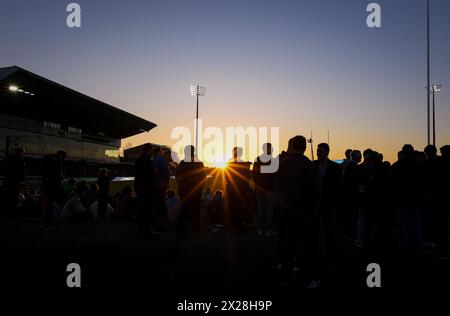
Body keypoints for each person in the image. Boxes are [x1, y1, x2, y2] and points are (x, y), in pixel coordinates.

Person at [276, 136, 319, 287]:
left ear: (292, 146)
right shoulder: (308, 164)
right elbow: (314, 188)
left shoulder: (282, 164)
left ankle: (286, 277)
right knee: (308, 247)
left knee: (288, 244)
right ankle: (307, 278)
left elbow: (278, 185)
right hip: (305, 211)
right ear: (304, 147)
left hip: (287, 209)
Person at [312, 143, 342, 267]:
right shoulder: (313, 165)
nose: (318, 153)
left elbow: (339, 186)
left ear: (327, 152)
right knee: (313, 232)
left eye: (321, 151)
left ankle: (330, 259)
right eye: (318, 151)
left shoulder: (335, 168)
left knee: (329, 232)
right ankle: (314, 257)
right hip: (314, 203)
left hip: (328, 203)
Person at [391, 144, 424, 255]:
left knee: (403, 225)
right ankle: (418, 247)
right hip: (415, 199)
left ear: (403, 152)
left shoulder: (396, 166)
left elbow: (392, 184)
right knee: (416, 225)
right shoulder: (419, 166)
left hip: (401, 200)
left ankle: (404, 247)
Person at [176, 145, 206, 236]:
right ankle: (195, 230)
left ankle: (181, 230)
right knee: (196, 211)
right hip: (196, 191)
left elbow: (179, 177)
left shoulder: (183, 163)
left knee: (184, 211)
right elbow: (203, 177)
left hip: (186, 191)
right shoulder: (199, 163)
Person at [253, 143, 277, 236]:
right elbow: (275, 174)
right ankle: (267, 229)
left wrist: (257, 184)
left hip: (260, 187)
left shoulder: (257, 159)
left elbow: (254, 174)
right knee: (269, 209)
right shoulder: (273, 160)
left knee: (260, 208)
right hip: (270, 188)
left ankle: (260, 229)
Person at [226, 147, 252, 231]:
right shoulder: (244, 164)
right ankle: (238, 225)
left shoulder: (229, 164)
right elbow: (246, 178)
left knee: (232, 207)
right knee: (239, 207)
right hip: (241, 188)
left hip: (231, 188)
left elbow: (227, 176)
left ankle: (232, 225)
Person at [134, 143, 156, 239]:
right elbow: (151, 174)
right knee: (147, 210)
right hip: (147, 188)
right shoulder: (147, 160)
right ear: (149, 150)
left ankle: (141, 231)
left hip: (140, 187)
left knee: (141, 210)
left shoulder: (138, 160)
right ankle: (146, 231)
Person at [41, 150, 66, 231]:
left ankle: (47, 223)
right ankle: (48, 224)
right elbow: (56, 175)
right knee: (50, 205)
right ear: (60, 156)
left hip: (47, 186)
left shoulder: (47, 161)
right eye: (63, 158)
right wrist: (60, 177)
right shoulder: (56, 162)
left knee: (48, 205)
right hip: (52, 186)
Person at [436, 145, 450, 259]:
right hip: (443, 197)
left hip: (442, 198)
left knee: (443, 225)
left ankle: (442, 248)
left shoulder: (440, 164)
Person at [4, 147, 25, 219]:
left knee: (8, 197)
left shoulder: (9, 159)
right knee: (15, 198)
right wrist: (21, 180)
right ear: (20, 152)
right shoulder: (20, 160)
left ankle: (7, 213)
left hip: (7, 180)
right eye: (23, 153)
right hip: (16, 181)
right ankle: (13, 214)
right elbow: (22, 172)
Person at [152, 147, 170, 224]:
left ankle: (157, 219)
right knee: (161, 201)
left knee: (157, 202)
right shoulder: (164, 161)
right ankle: (163, 218)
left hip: (157, 185)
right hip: (163, 185)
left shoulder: (155, 161)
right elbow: (167, 174)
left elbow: (154, 173)